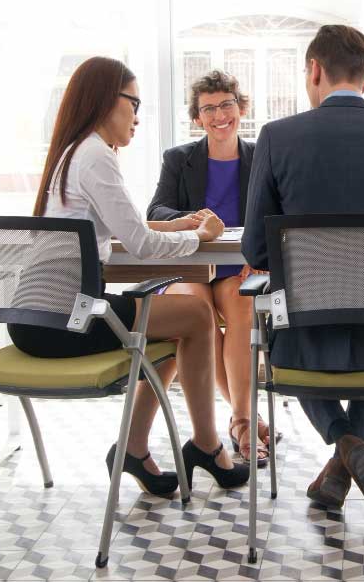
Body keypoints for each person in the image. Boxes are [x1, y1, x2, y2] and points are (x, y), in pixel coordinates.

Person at [8, 56, 249, 496]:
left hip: (35, 318)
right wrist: (200, 235)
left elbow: (126, 228)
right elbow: (139, 245)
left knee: (178, 327)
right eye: (133, 103)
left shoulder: (73, 152)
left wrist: (175, 226)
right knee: (195, 316)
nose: (137, 116)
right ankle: (208, 446)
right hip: (67, 321)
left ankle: (136, 449)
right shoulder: (96, 156)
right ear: (104, 100)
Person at [242, 25, 364, 512]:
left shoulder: (276, 137)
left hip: (305, 341)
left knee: (286, 340)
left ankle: (345, 447)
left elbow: (255, 248)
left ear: (314, 70)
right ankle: (351, 451)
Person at [147, 70, 278, 467]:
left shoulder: (261, 156)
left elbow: (279, 211)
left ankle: (239, 421)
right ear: (197, 116)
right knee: (197, 316)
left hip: (239, 264)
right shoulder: (179, 159)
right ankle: (243, 419)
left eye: (226, 105)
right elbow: (156, 211)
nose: (219, 115)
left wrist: (262, 253)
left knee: (240, 309)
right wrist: (194, 218)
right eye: (209, 108)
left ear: (240, 108)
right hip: (190, 263)